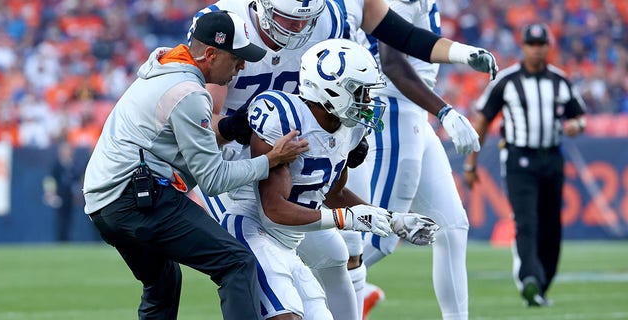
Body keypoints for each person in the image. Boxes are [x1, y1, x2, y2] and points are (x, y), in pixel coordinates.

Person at [187, 1, 497, 318]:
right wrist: (236, 125)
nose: (296, 29)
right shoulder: (225, 23)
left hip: (292, 147)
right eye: (287, 19)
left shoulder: (330, 23)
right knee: (256, 261)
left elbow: (402, 36)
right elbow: (199, 131)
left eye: (304, 21)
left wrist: (391, 221)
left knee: (340, 252)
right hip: (230, 167)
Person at [82, 11, 309, 320]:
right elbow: (213, 179)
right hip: (137, 199)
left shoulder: (165, 67)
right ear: (211, 54)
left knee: (162, 284)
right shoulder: (189, 92)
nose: (241, 66)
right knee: (236, 263)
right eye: (237, 58)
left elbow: (170, 140)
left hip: (104, 205)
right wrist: (271, 160)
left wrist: (227, 128)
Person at [220, 38, 439, 320]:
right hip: (254, 230)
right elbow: (272, 209)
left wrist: (393, 219)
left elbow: (334, 192)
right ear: (332, 89)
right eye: (361, 92)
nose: (368, 102)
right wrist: (346, 219)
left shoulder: (349, 129)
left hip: (290, 241)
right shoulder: (284, 119)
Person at [341, 1, 480, 319]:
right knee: (381, 237)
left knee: (452, 226)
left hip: (409, 112)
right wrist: (444, 110)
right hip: (393, 108)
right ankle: (309, 295)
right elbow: (392, 62)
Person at [463, 23, 586, 307]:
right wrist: (471, 163)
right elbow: (483, 119)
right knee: (527, 220)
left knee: (551, 225)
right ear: (523, 47)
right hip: (519, 159)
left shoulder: (560, 80)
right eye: (531, 44)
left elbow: (579, 116)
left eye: (541, 44)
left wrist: (576, 126)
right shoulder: (506, 81)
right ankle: (529, 278)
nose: (536, 49)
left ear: (548, 46)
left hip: (552, 158)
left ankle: (542, 282)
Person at [44, 140, 85, 242]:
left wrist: (79, 194)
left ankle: (68, 239)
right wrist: (50, 193)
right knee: (60, 219)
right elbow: (50, 179)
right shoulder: (56, 165)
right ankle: (60, 239)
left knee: (70, 219)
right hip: (60, 195)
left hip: (71, 197)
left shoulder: (74, 165)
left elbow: (79, 180)